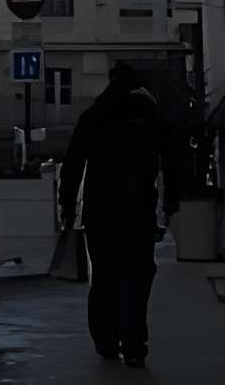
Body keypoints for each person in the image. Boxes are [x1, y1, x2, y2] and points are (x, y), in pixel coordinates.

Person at [58, 61, 182, 366]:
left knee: (104, 277)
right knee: (137, 277)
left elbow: (73, 164)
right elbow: (174, 158)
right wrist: (171, 202)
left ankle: (106, 341)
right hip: (137, 208)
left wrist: (66, 205)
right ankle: (134, 343)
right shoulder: (149, 114)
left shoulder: (95, 115)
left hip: (100, 211)